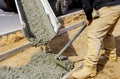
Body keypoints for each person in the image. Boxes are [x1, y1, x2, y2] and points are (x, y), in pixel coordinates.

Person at [72, 0, 120, 79]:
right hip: (117, 5)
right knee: (107, 33)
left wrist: (89, 17)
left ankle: (89, 68)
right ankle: (111, 56)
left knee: (94, 36)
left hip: (108, 7)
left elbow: (86, 2)